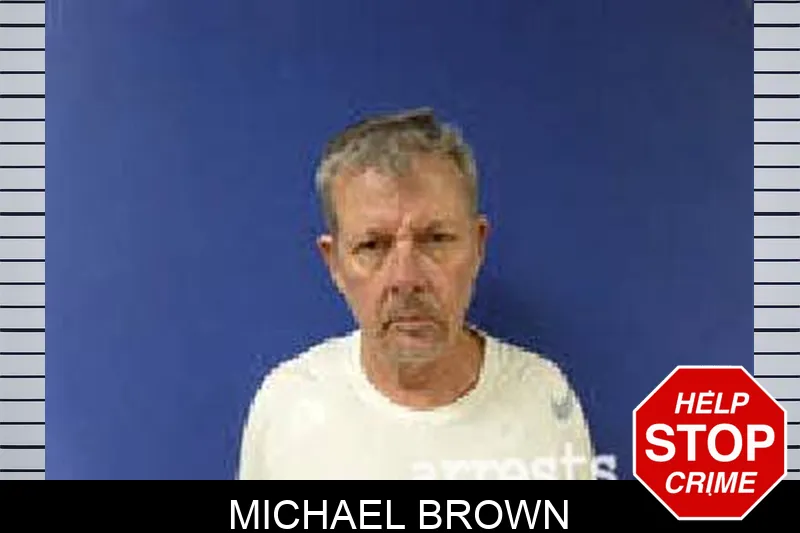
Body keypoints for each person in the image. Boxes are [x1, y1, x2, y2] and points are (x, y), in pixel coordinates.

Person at [237, 108, 596, 480]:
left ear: (478, 246)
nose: (406, 279)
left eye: (436, 239)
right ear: (334, 262)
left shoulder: (542, 397)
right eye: (373, 246)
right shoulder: (288, 406)